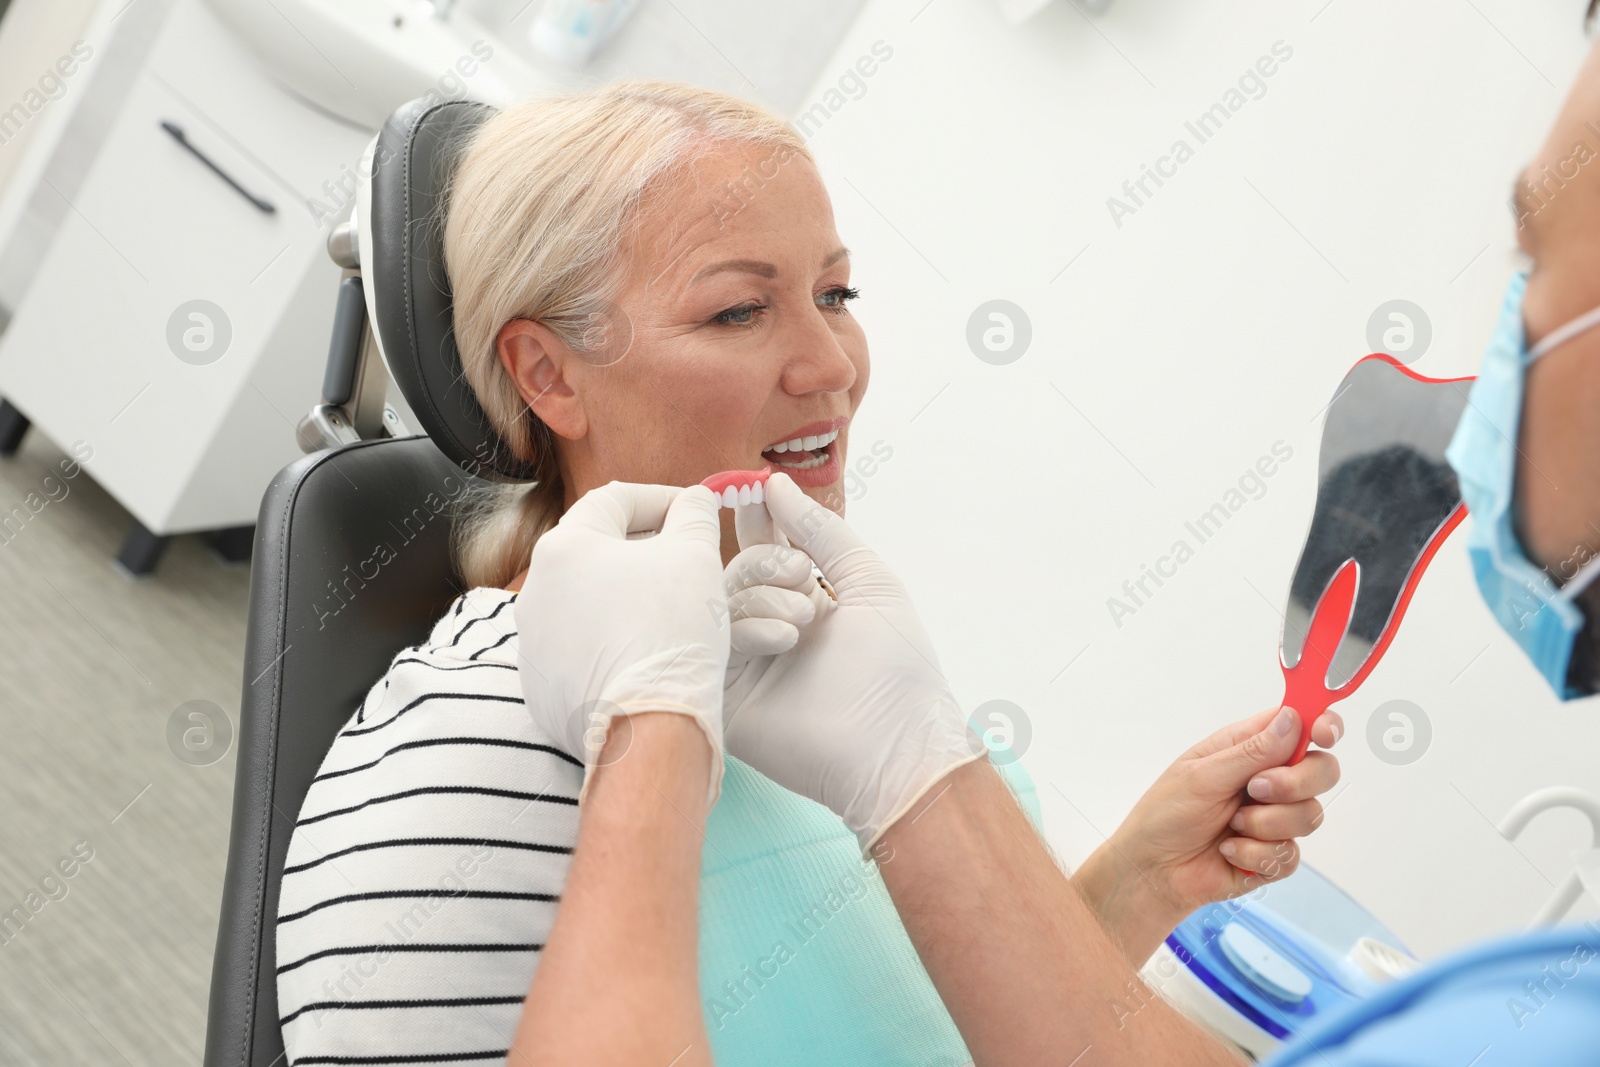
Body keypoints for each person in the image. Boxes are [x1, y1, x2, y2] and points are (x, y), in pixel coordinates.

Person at [275, 81, 1342, 1066]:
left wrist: (1127, 885)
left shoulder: (822, 662)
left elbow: (892, 1028)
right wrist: (657, 733)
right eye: (739, 310)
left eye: (836, 293)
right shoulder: (484, 754)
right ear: (549, 373)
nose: (833, 366)